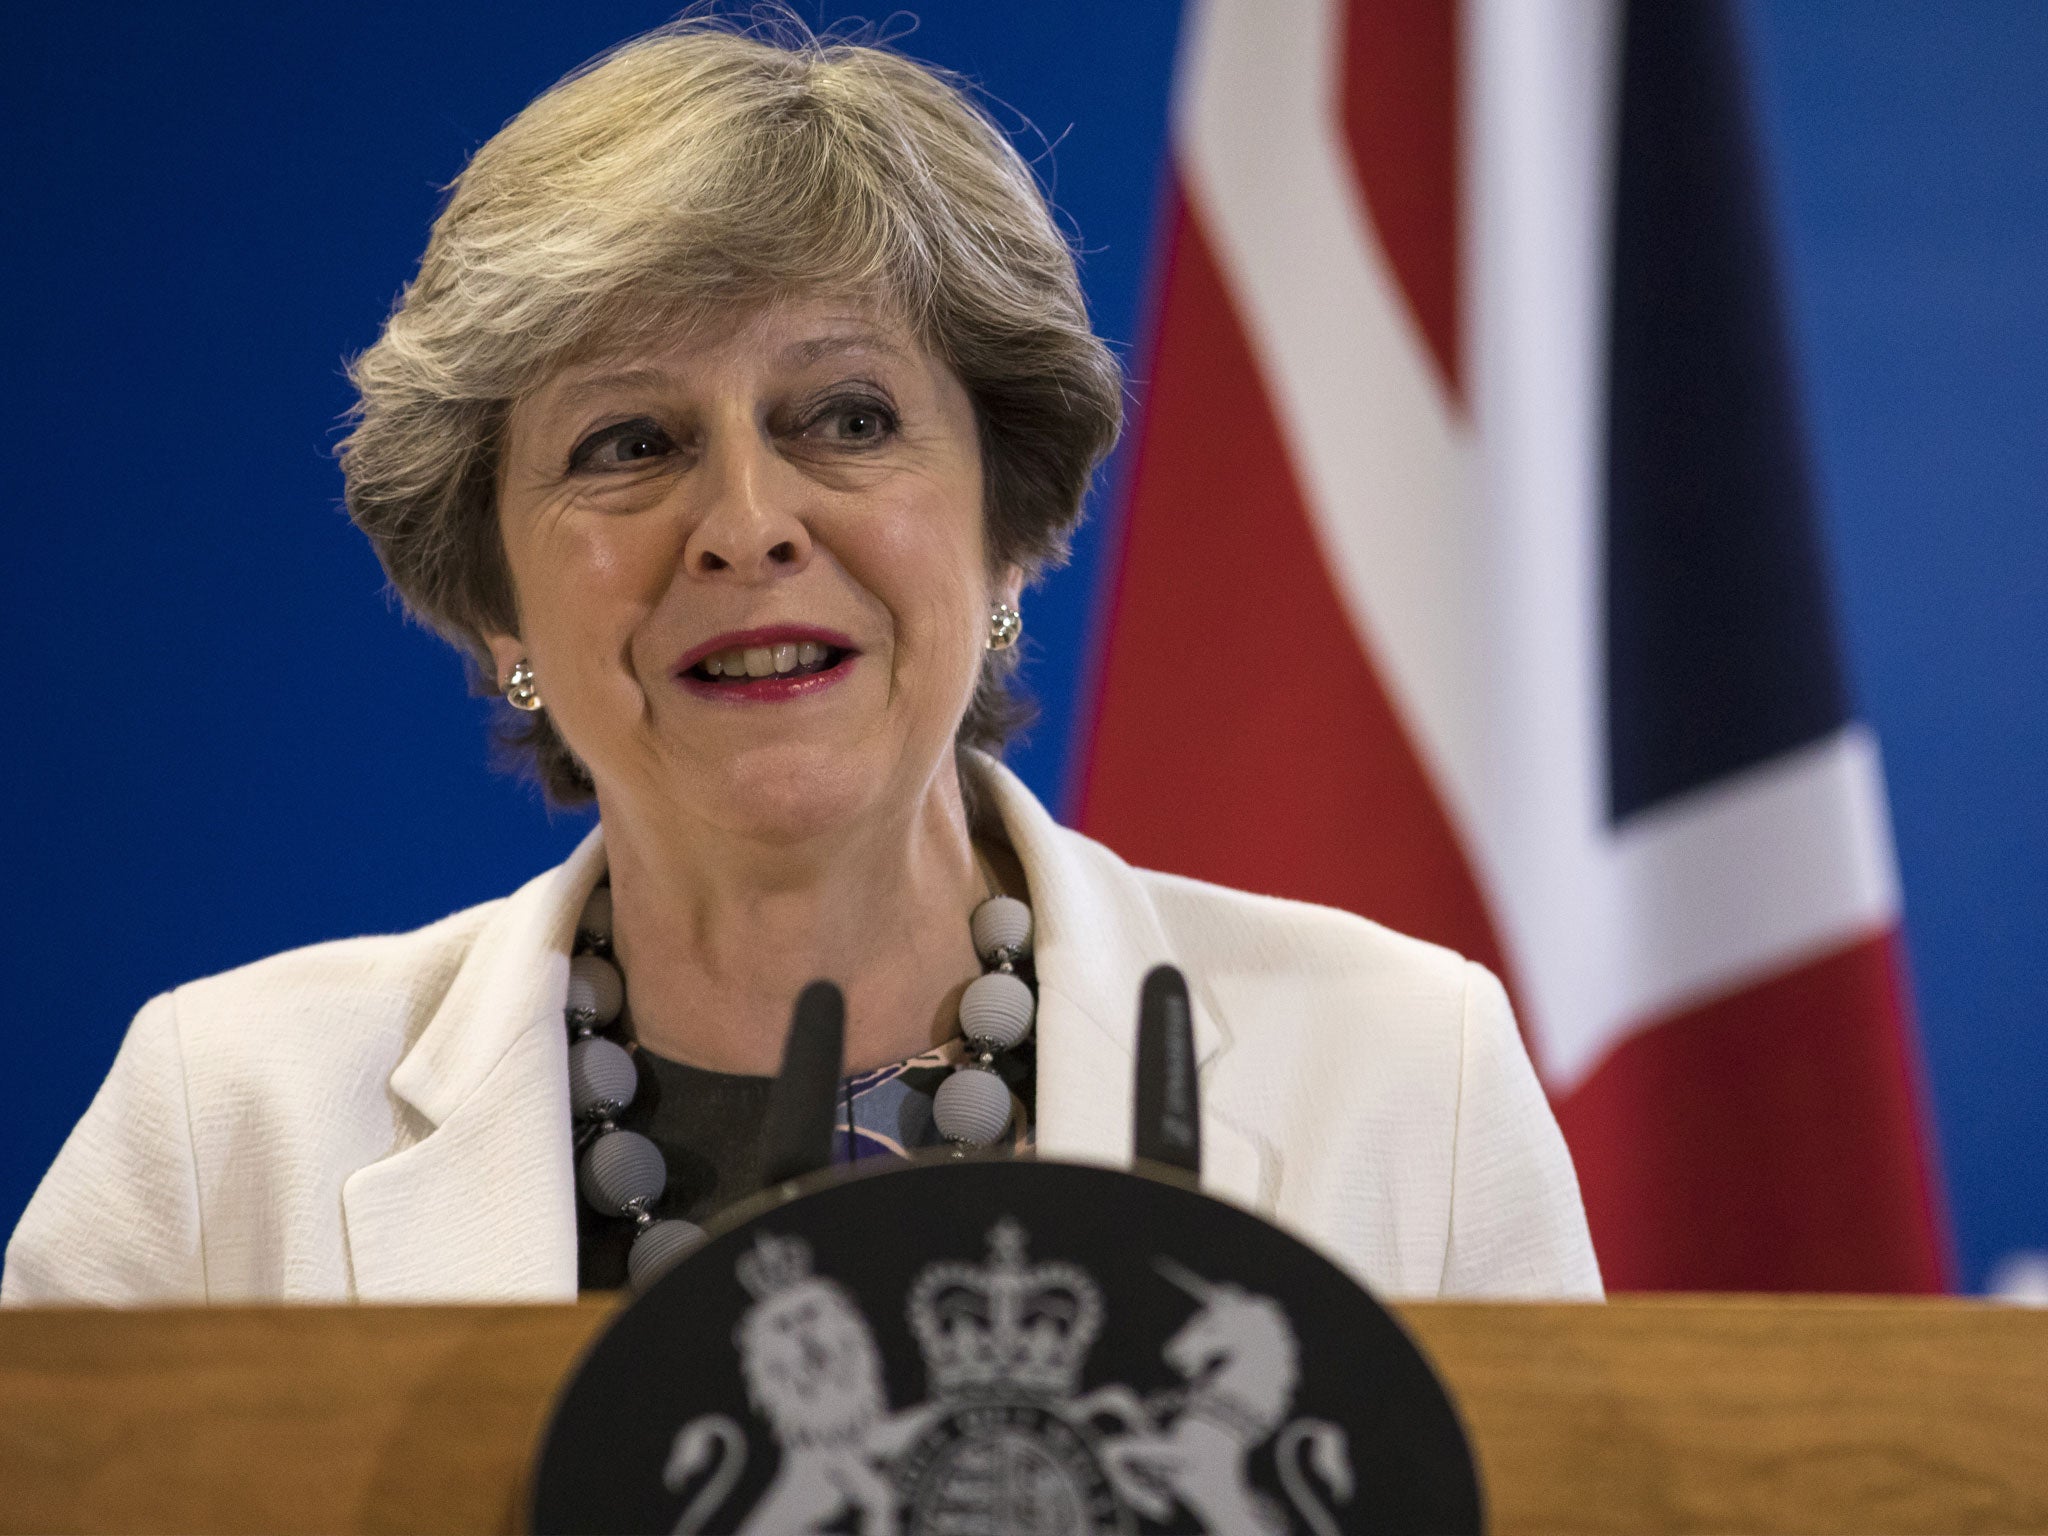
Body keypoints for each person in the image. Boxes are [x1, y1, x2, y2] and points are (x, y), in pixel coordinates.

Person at [2, 18, 1600, 1305]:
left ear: (1006, 523)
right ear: (494, 596)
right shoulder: (229, 1131)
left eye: (847, 418)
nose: (745, 525)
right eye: (630, 442)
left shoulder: (1404, 1076)